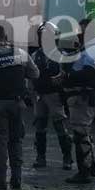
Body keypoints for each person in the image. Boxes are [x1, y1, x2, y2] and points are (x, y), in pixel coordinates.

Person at [0, 23, 39, 190]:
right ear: (5, 37)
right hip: (17, 103)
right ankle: (16, 178)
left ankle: (0, 179)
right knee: (16, 139)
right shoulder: (21, 53)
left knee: (0, 141)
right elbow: (35, 73)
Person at [63, 18, 95, 185]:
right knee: (85, 133)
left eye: (82, 31)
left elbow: (87, 73)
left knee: (80, 134)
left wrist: (67, 76)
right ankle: (92, 166)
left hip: (84, 96)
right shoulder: (90, 48)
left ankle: (84, 171)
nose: (79, 35)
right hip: (83, 95)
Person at [31, 22, 73, 170]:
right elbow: (30, 75)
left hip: (54, 95)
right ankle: (40, 157)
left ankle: (67, 158)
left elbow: (67, 76)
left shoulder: (61, 55)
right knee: (40, 128)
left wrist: (61, 82)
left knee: (60, 127)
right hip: (40, 95)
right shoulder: (36, 55)